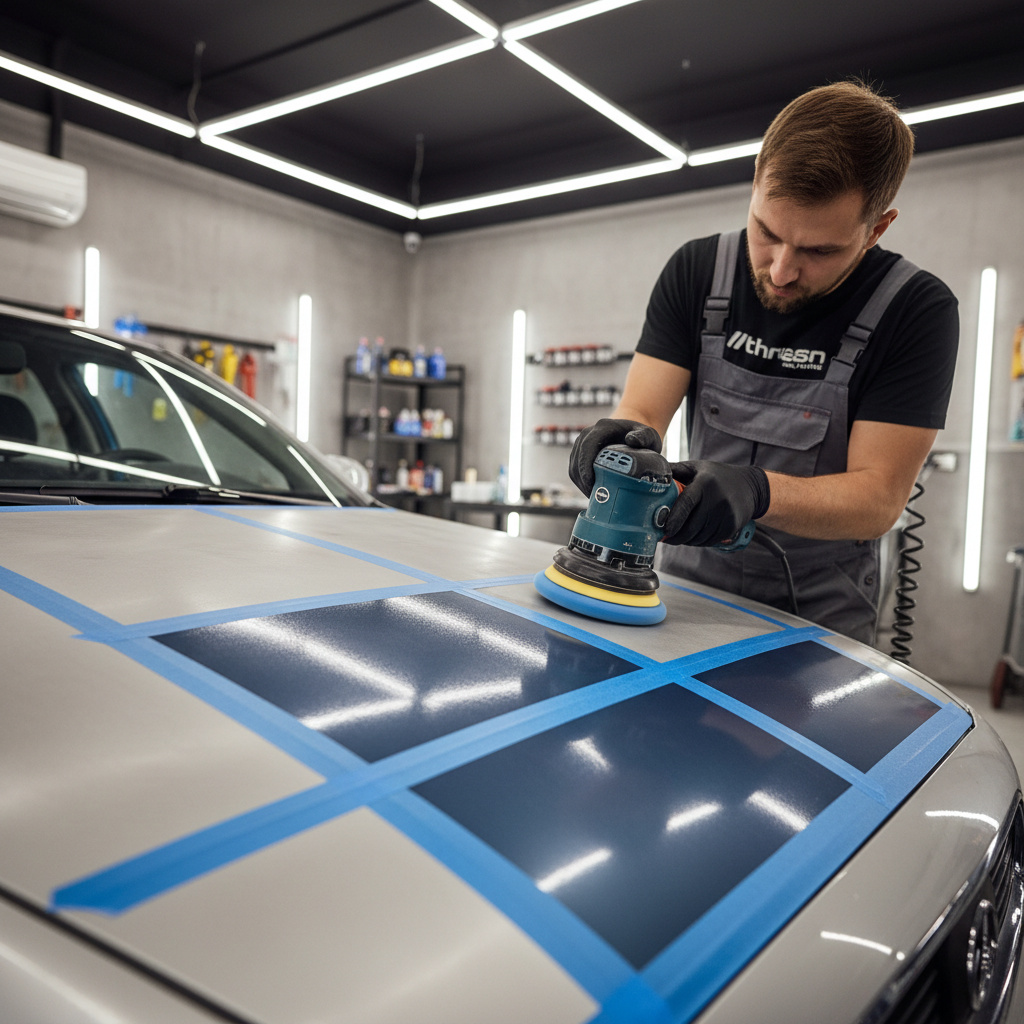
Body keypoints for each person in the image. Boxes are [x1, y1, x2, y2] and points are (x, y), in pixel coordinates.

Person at [569, 81, 959, 643]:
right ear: (755, 182)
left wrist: (758, 491)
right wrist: (620, 438)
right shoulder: (697, 271)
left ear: (876, 228)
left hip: (819, 612)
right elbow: (643, 409)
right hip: (686, 587)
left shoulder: (917, 310)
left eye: (819, 251)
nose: (780, 271)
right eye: (766, 232)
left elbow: (878, 498)